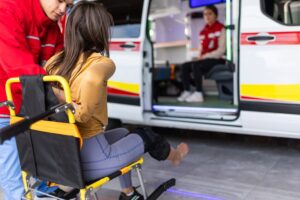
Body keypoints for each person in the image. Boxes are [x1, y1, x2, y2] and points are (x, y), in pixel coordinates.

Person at [45, 1, 189, 200]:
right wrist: (72, 97)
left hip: (65, 158)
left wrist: (61, 94)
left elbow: (52, 96)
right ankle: (176, 156)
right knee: (145, 136)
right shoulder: (100, 64)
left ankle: (127, 192)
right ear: (98, 31)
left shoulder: (55, 62)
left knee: (124, 132)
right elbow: (83, 114)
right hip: (92, 162)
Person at [0, 0, 73, 199]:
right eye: (60, 1)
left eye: (69, 4)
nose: (63, 9)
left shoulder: (52, 28)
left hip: (32, 108)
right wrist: (58, 91)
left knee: (42, 179)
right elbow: (19, 68)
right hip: (4, 110)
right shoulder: (7, 9)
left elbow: (59, 67)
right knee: (17, 188)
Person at [177, 5, 226, 102]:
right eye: (205, 14)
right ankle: (187, 90)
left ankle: (199, 93)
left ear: (215, 15)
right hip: (205, 59)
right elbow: (201, 49)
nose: (207, 16)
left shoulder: (222, 29)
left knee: (196, 64)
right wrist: (200, 56)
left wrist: (204, 57)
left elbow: (221, 50)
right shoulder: (203, 32)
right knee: (184, 66)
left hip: (218, 59)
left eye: (210, 14)